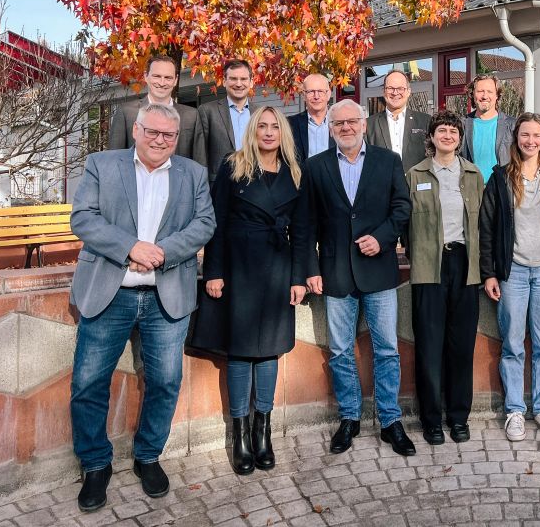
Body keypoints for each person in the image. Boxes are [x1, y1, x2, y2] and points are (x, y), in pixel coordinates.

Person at [68, 103, 215, 513]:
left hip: (166, 295)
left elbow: (204, 224)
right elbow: (83, 218)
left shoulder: (193, 174)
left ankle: (148, 455)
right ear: (136, 130)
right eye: (152, 132)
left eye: (168, 135)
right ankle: (95, 463)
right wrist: (129, 247)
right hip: (110, 293)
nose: (160, 140)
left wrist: (162, 253)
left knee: (166, 382)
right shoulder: (102, 164)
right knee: (88, 383)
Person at [188, 106, 308, 475]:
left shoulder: (295, 172)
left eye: (275, 127)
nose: (269, 132)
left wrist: (298, 277)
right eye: (263, 126)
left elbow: (302, 231)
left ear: (282, 133)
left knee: (270, 349)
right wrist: (214, 271)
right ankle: (239, 436)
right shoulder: (232, 166)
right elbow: (217, 223)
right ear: (253, 131)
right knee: (240, 351)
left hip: (277, 267)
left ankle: (263, 432)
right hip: (238, 265)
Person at [297, 100, 415, 456]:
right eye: (339, 123)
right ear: (330, 129)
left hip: (378, 271)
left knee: (386, 350)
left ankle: (390, 420)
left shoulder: (388, 161)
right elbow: (305, 224)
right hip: (335, 273)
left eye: (352, 121)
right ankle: (349, 418)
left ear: (364, 124)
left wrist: (381, 238)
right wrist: (310, 269)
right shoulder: (316, 167)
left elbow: (402, 208)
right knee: (340, 351)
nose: (346, 127)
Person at [479, 112, 540, 443]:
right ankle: (515, 410)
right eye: (525, 135)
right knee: (512, 344)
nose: (530, 141)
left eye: (536, 135)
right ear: (516, 138)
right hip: (513, 273)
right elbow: (487, 229)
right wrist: (489, 273)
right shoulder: (500, 178)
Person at [404, 110, 483, 445]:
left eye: (453, 131)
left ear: (460, 138)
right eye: (442, 130)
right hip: (428, 267)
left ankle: (458, 417)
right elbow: (405, 223)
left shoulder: (473, 174)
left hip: (465, 266)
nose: (448, 135)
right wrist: (417, 255)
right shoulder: (415, 174)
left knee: (462, 346)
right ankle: (432, 419)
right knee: (429, 346)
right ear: (431, 138)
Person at [107, 54, 204, 161]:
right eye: (157, 76)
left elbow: (200, 162)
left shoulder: (192, 116)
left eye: (168, 78)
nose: (162, 83)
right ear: (146, 76)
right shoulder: (127, 113)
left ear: (175, 80)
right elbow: (114, 159)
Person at [194, 59, 254, 184]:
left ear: (251, 82)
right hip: (219, 185)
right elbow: (200, 155)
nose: (238, 84)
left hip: (255, 182)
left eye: (243, 79)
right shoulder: (207, 111)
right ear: (225, 82)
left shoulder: (260, 113)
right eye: (233, 79)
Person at [365, 69, 432, 171]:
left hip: (415, 184)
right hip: (382, 185)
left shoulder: (425, 121)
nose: (395, 93)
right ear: (384, 91)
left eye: (400, 88)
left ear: (408, 91)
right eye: (390, 88)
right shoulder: (369, 124)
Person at [460, 73, 515, 183]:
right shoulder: (462, 124)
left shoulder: (513, 125)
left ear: (497, 96)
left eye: (490, 92)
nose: (485, 96)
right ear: (473, 94)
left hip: (502, 189)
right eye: (480, 91)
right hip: (472, 191)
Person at [289, 73, 336, 163]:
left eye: (321, 91)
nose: (316, 96)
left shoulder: (340, 123)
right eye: (311, 91)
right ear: (304, 95)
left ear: (328, 94)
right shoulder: (290, 124)